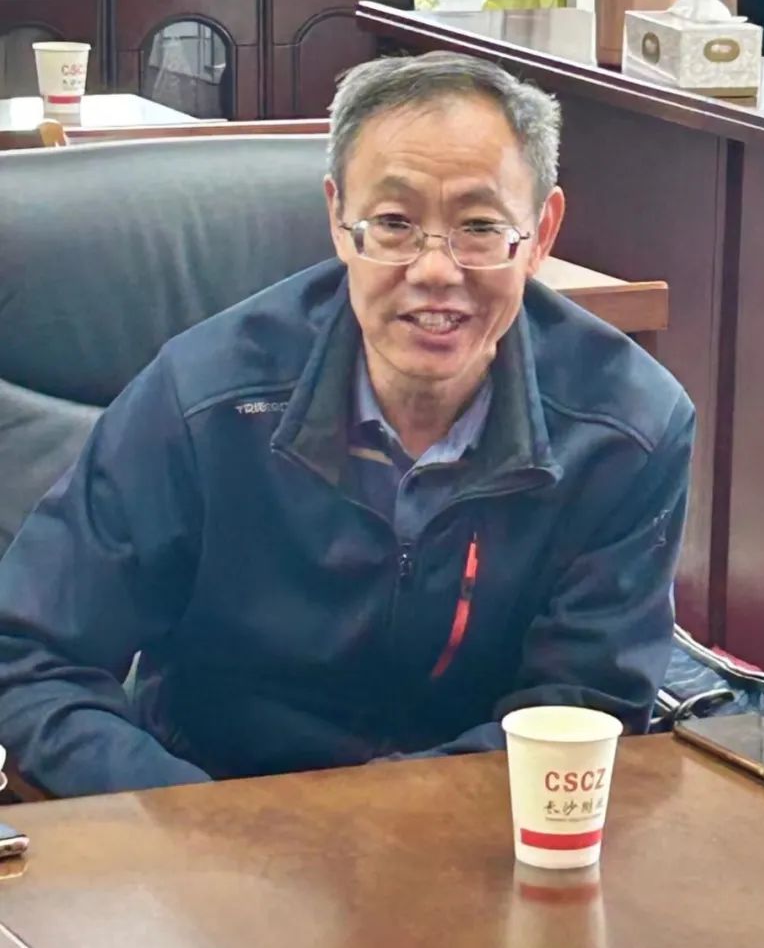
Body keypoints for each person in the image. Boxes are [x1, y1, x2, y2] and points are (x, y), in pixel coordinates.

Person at [0, 52, 694, 798]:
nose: (435, 270)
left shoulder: (628, 428)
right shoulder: (204, 398)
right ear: (337, 218)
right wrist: (192, 819)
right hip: (210, 812)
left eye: (479, 226)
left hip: (474, 831)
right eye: (394, 223)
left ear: (542, 232)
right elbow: (29, 655)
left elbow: (582, 708)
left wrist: (366, 829)